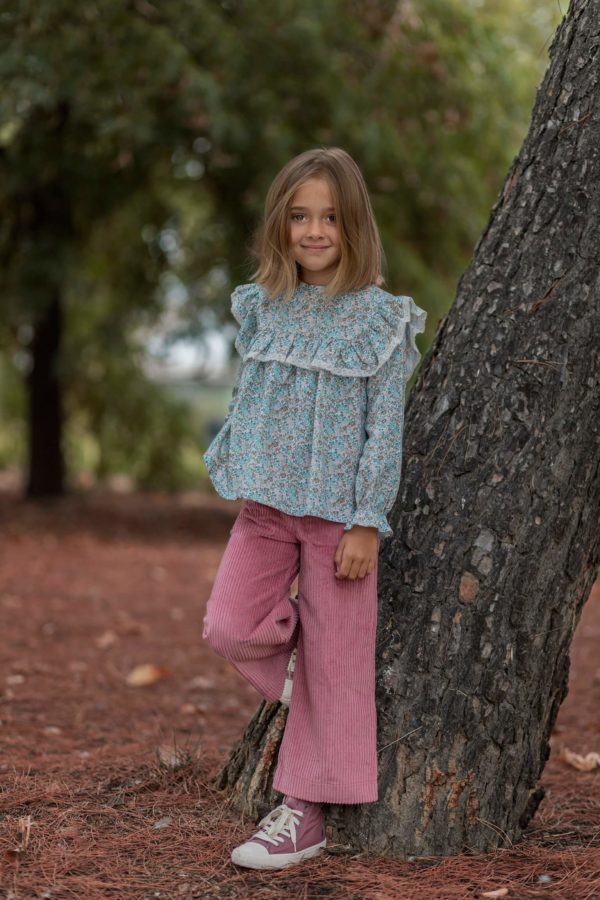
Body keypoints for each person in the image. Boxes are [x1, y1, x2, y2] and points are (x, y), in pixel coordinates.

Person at [202, 146, 427, 870]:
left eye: (330, 216)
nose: (314, 230)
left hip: (339, 522)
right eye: (299, 216)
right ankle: (306, 672)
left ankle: (304, 815)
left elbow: (383, 429)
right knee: (229, 625)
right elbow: (251, 398)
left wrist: (367, 518)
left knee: (341, 661)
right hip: (265, 510)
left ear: (353, 225)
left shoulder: (379, 320)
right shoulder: (262, 305)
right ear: (281, 225)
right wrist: (235, 458)